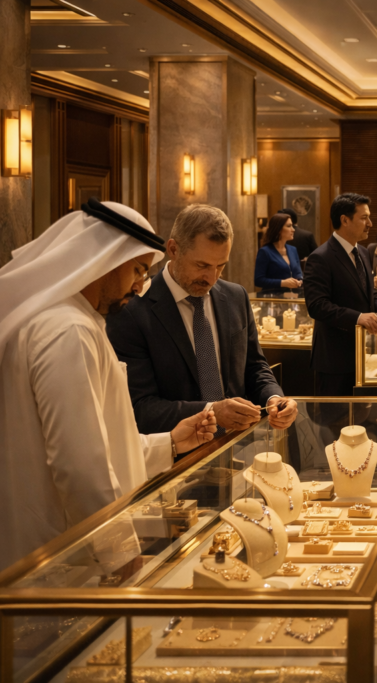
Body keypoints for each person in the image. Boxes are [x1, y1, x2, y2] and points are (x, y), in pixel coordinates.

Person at [0, 199, 216, 571]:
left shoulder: (69, 321)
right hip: (59, 558)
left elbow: (102, 444)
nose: (140, 284)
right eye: (137, 269)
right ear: (102, 259)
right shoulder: (69, 329)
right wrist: (120, 554)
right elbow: (81, 465)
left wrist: (171, 442)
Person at [108, 204, 297, 436]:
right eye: (202, 265)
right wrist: (212, 411)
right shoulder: (132, 312)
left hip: (236, 446)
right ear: (173, 249)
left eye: (221, 266)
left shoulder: (236, 296)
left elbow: (255, 366)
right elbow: (140, 409)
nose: (211, 278)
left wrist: (274, 398)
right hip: (174, 458)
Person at [304, 192, 377, 398]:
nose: (370, 223)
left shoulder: (363, 252)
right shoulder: (321, 257)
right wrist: (359, 317)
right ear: (344, 220)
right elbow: (317, 305)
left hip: (363, 354)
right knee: (333, 425)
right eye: (364, 217)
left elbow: (369, 293)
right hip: (334, 360)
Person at [254, 213, 304, 293]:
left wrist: (300, 281)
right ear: (278, 229)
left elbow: (298, 273)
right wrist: (282, 283)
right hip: (272, 299)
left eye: (292, 226)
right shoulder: (265, 251)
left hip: (293, 298)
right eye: (289, 226)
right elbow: (258, 280)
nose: (293, 229)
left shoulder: (293, 250)